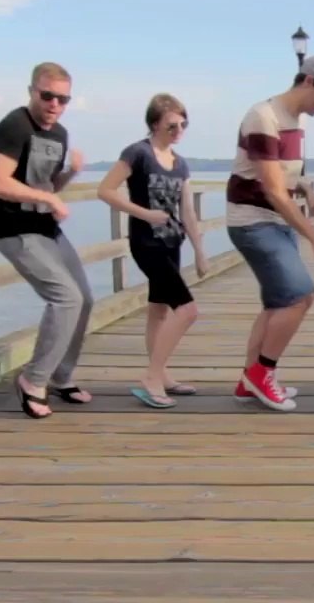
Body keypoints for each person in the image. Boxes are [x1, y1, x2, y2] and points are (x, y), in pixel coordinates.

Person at [225, 56, 314, 412]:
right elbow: (274, 191)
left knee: (279, 302)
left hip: (276, 221)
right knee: (299, 296)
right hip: (253, 220)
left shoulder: (293, 121)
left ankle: (249, 380)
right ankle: (263, 373)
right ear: (309, 81)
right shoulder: (264, 117)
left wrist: (307, 188)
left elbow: (285, 176)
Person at [0, 62, 93, 419]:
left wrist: (70, 174)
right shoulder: (14, 126)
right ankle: (33, 380)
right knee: (66, 298)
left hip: (46, 228)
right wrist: (48, 199)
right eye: (47, 96)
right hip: (15, 228)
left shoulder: (59, 134)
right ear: (32, 91)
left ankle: (61, 377)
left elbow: (49, 185)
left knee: (85, 299)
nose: (54, 105)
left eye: (63, 99)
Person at [97, 93, 209, 409]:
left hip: (173, 242)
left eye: (183, 123)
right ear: (155, 123)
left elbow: (187, 211)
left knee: (159, 310)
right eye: (172, 124)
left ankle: (162, 375)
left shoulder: (180, 163)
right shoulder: (137, 153)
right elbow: (104, 190)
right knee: (187, 310)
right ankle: (151, 376)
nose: (179, 129)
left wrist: (200, 251)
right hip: (147, 243)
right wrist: (144, 214)